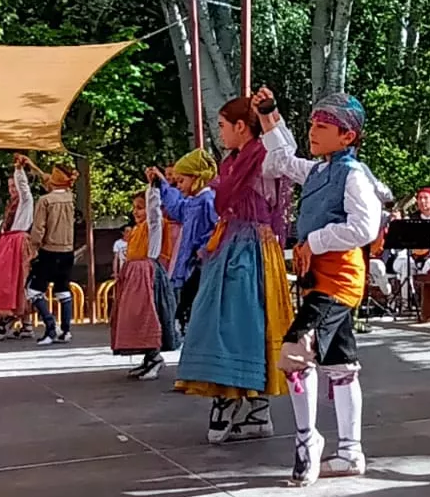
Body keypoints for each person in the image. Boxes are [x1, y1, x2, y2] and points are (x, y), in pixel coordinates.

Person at [256, 90, 384, 485]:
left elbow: (364, 227)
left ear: (347, 136)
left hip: (339, 277)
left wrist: (315, 241)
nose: (313, 131)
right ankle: (349, 452)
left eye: (322, 126)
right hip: (320, 280)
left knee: (296, 352)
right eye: (312, 123)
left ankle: (307, 440)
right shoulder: (317, 171)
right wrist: (269, 115)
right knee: (341, 364)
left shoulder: (354, 175)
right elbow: (278, 161)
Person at [176, 97, 295, 444]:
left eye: (223, 126)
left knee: (238, 323)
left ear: (241, 126)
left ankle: (231, 401)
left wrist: (269, 113)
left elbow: (286, 149)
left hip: (252, 249)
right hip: (230, 245)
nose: (220, 133)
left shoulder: (264, 157)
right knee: (224, 320)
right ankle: (252, 408)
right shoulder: (233, 162)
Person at [109, 188, 180, 381]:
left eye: (140, 208)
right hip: (134, 274)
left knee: (148, 314)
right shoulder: (137, 229)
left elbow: (155, 214)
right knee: (135, 317)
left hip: (146, 274)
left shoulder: (154, 225)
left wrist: (153, 189)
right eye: (134, 208)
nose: (135, 212)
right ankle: (149, 357)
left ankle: (155, 356)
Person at [154, 149, 220, 356]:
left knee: (192, 305)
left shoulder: (209, 200)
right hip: (193, 265)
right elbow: (176, 208)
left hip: (204, 265)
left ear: (197, 178)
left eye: (181, 180)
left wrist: (204, 249)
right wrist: (162, 184)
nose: (179, 185)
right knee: (187, 305)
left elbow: (218, 228)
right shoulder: (192, 202)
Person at [26, 162, 80, 345]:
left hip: (49, 250)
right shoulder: (70, 197)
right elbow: (49, 180)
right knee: (63, 290)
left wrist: (33, 248)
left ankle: (50, 328)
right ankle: (66, 330)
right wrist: (33, 166)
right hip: (68, 250)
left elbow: (39, 228)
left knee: (33, 291)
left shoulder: (45, 201)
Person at [0, 159, 38, 339]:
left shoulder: (26, 201)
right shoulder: (12, 205)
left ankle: (7, 318)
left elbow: (24, 190)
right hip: (8, 243)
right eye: (9, 186)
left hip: (18, 242)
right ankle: (25, 323)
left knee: (15, 282)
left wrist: (19, 170)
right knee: (7, 281)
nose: (12, 189)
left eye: (14, 186)